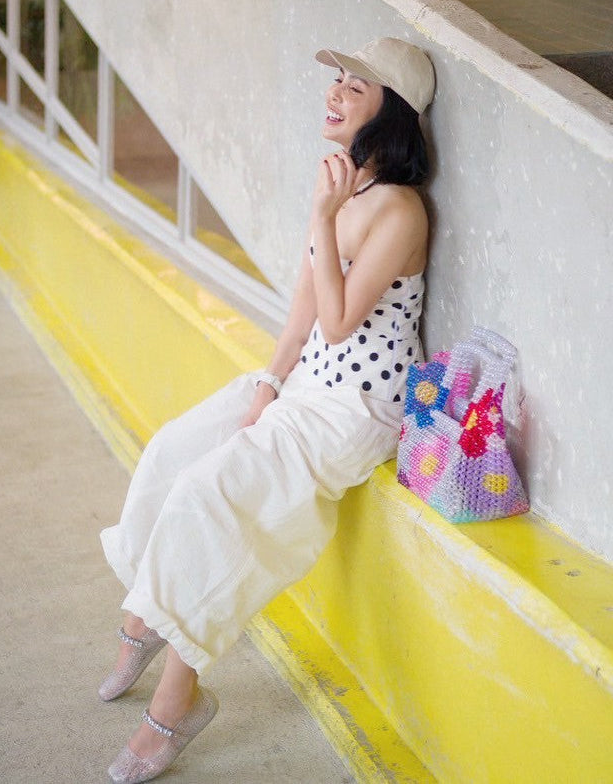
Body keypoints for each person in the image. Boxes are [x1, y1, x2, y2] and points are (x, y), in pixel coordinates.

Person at [99, 37, 436, 784]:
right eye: (338, 81)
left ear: (395, 112)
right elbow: (301, 315)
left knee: (210, 498)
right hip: (309, 383)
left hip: (358, 406)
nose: (338, 92)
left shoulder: (399, 209)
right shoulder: (345, 193)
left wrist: (322, 212)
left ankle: (177, 705)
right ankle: (145, 616)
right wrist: (267, 384)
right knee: (174, 452)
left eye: (356, 86)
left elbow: (342, 317)